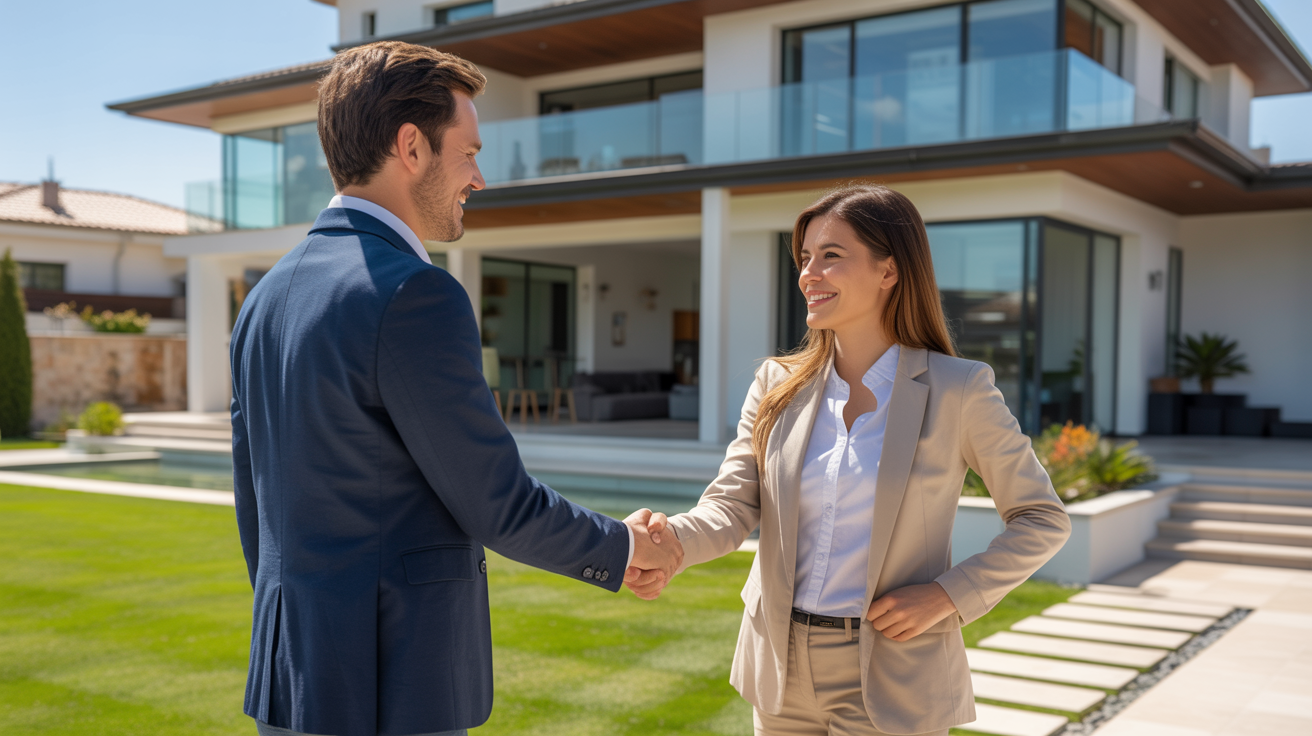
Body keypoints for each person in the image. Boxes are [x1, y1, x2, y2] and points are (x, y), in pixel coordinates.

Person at [229, 41, 680, 736]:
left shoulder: (263, 300)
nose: (480, 178)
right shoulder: (415, 293)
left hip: (295, 675)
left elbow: (255, 511)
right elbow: (497, 503)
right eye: (468, 152)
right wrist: (623, 549)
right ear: (410, 147)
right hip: (392, 683)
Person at [642, 185, 1071, 735]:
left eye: (831, 256)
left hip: (894, 671)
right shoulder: (777, 384)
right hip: (780, 665)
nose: (808, 275)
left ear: (889, 271)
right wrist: (670, 542)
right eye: (804, 259)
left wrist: (947, 595)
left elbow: (1042, 517)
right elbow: (732, 503)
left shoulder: (959, 390)